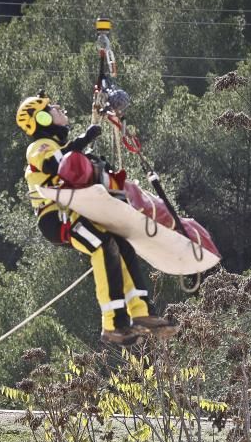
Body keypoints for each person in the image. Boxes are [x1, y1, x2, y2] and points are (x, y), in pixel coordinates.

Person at [16, 91, 175, 345]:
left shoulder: (59, 146)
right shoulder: (39, 147)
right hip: (57, 218)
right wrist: (85, 138)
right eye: (55, 108)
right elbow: (57, 165)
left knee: (120, 245)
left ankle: (142, 310)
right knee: (102, 245)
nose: (62, 111)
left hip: (75, 211)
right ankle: (114, 323)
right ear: (42, 118)